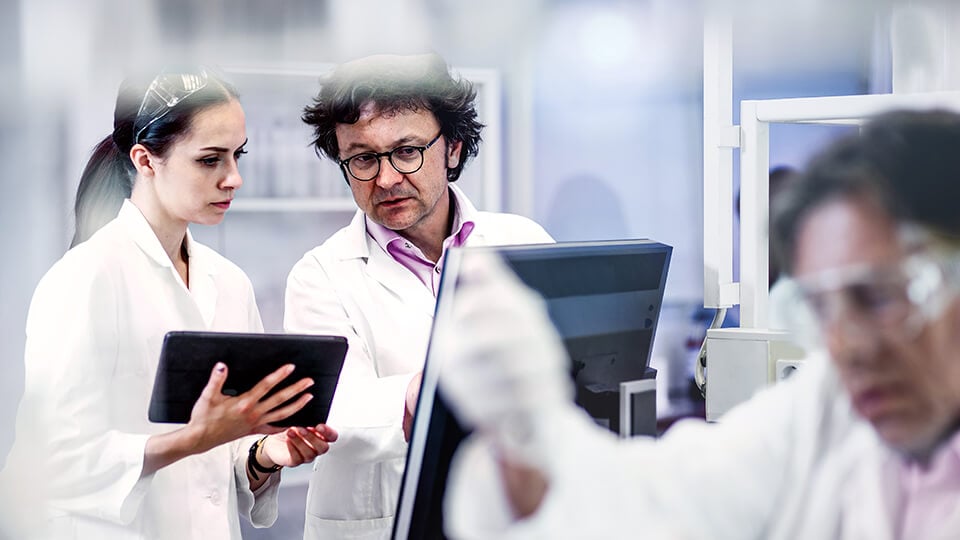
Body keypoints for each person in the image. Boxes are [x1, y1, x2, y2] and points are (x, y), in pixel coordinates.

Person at [437, 109, 960, 539]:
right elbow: (663, 501)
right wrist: (530, 428)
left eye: (878, 296)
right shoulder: (826, 408)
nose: (845, 346)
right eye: (821, 309)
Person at [2, 67, 338, 539]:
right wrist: (191, 439)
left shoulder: (230, 284)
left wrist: (266, 454)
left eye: (237, 156)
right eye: (210, 160)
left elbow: (220, 465)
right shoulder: (84, 278)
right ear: (145, 160)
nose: (234, 178)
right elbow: (51, 461)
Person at [287, 52, 553, 538]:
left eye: (407, 150)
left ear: (451, 148)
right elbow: (334, 412)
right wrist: (425, 390)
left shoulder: (524, 243)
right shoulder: (320, 275)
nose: (385, 179)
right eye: (363, 158)